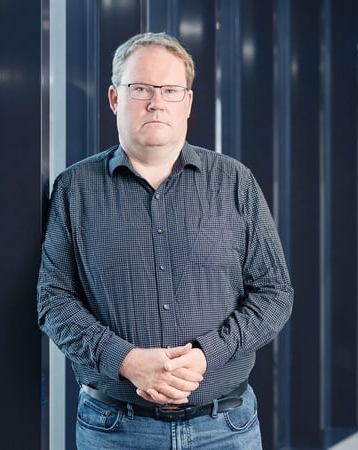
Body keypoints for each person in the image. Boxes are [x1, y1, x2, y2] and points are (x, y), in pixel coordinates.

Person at [36, 32, 293, 449]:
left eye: (170, 90)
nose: (156, 102)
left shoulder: (235, 182)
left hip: (225, 429)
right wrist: (125, 361)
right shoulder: (75, 189)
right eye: (141, 88)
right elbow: (53, 299)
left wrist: (207, 355)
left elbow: (275, 292)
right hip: (114, 431)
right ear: (115, 98)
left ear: (187, 103)